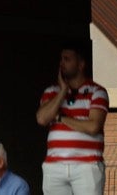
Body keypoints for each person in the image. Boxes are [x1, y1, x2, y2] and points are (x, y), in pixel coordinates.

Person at [35, 46, 107, 195]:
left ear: (81, 64)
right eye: (61, 59)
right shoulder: (51, 92)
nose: (62, 63)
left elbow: (93, 127)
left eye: (67, 59)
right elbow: (42, 118)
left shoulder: (97, 91)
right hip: (54, 166)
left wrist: (61, 118)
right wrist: (62, 91)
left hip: (87, 165)